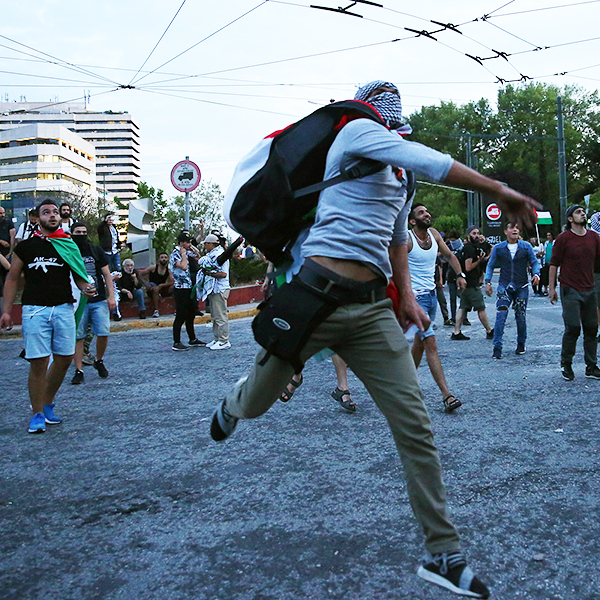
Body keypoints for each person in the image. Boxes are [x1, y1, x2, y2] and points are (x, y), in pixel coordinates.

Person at [209, 80, 539, 599]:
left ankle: (443, 553)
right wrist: (497, 188)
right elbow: (431, 160)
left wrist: (404, 297)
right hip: (315, 299)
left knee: (416, 425)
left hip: (371, 313)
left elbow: (397, 238)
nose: (396, 136)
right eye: (393, 128)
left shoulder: (401, 176)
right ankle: (233, 403)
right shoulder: (355, 133)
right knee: (256, 402)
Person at [0, 199, 93, 434]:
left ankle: (46, 402)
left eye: (55, 212)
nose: (52, 215)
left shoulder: (67, 244)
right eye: (46, 212)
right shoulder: (25, 247)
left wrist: (86, 287)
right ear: (37, 218)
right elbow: (12, 278)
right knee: (39, 361)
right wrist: (6, 311)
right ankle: (37, 413)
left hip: (63, 307)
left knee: (65, 358)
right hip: (34, 309)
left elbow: (79, 275)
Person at [406, 203, 468, 411]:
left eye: (426, 211)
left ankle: (405, 384)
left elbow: (449, 255)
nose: (427, 214)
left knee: (419, 344)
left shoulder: (433, 234)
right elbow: (392, 266)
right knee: (430, 343)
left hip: (432, 297)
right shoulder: (407, 239)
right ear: (412, 221)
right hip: (416, 300)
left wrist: (460, 275)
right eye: (421, 213)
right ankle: (446, 395)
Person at [548, 204, 600, 382]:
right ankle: (566, 364)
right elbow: (554, 263)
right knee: (573, 327)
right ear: (570, 218)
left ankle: (591, 366)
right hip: (570, 288)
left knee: (591, 328)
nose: (583, 214)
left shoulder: (593, 237)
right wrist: (551, 288)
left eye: (583, 212)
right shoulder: (563, 238)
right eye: (578, 212)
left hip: (589, 289)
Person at [484, 220, 540, 358]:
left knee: (520, 315)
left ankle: (521, 343)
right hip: (504, 285)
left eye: (517, 228)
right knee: (501, 315)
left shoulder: (526, 246)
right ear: (505, 231)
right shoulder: (499, 248)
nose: (515, 230)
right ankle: (497, 347)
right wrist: (487, 281)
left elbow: (534, 262)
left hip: (521, 285)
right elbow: (490, 265)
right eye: (511, 228)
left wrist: (536, 274)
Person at [70, 222, 117, 384]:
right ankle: (78, 369)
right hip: (78, 301)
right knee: (79, 336)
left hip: (98, 299)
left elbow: (107, 274)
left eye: (84, 232)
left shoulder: (96, 250)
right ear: (72, 233)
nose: (81, 235)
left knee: (103, 332)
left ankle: (99, 360)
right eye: (78, 232)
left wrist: (111, 296)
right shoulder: (69, 251)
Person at [450, 226, 493, 341]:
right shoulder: (469, 248)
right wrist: (479, 261)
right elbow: (468, 267)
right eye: (474, 233)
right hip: (471, 283)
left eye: (478, 233)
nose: (477, 236)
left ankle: (456, 332)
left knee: (463, 307)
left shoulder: (470, 247)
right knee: (480, 307)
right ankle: (489, 331)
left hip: (467, 282)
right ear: (468, 235)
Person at [170, 232, 208, 351]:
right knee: (181, 315)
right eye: (187, 242)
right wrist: (183, 254)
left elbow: (197, 255)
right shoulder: (175, 254)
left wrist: (191, 247)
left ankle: (192, 338)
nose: (189, 244)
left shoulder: (187, 251)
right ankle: (176, 341)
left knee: (191, 313)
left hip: (189, 286)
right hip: (180, 288)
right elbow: (184, 266)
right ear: (181, 243)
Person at [197, 233, 232, 350]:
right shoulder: (212, 255)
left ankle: (223, 340)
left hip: (219, 289)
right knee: (215, 316)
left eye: (206, 244)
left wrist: (209, 273)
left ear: (211, 244)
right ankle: (217, 338)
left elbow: (223, 274)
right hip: (213, 289)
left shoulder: (220, 256)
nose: (205, 246)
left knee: (220, 316)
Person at [140, 252, 174, 317]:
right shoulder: (153, 268)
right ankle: (156, 310)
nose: (163, 259)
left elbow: (173, 282)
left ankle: (176, 310)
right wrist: (145, 284)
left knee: (175, 289)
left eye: (165, 257)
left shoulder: (169, 270)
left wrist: (162, 285)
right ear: (158, 259)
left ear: (168, 259)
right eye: (162, 257)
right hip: (152, 289)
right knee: (156, 289)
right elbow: (140, 274)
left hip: (162, 288)